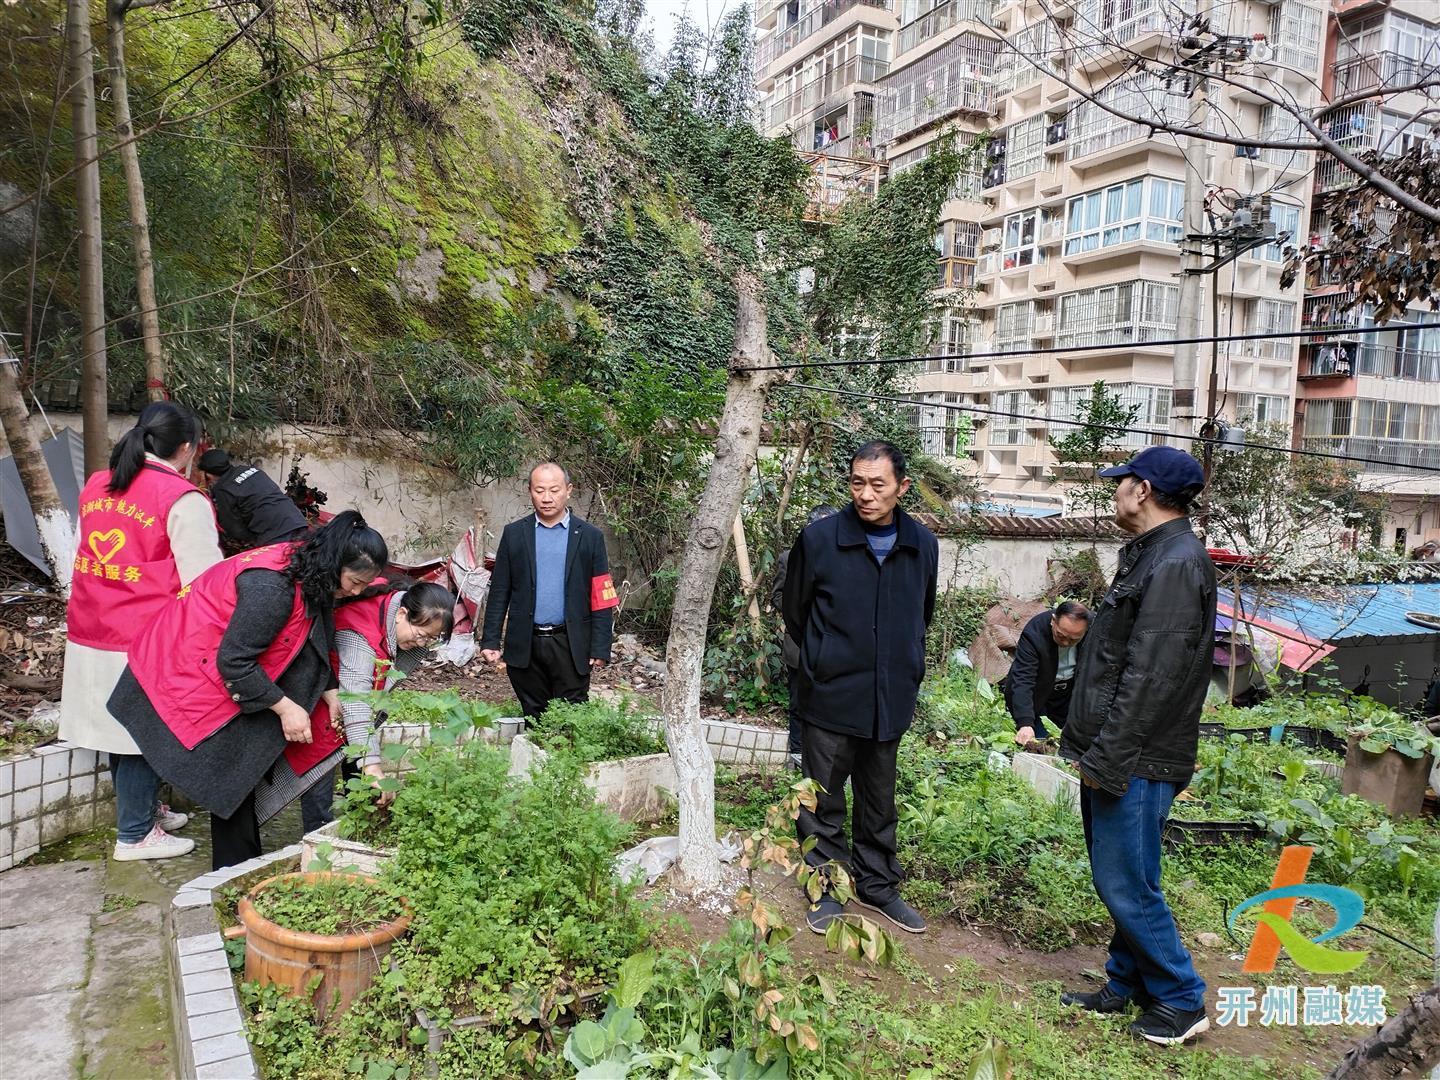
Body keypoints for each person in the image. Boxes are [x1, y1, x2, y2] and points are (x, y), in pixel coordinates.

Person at [109, 511, 388, 870]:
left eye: (365, 586)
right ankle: (233, 873)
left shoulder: (310, 569)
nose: (355, 592)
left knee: (239, 771)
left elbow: (319, 627)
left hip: (210, 667)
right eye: (354, 582)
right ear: (335, 562)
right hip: (178, 670)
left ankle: (239, 867)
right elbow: (236, 664)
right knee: (228, 772)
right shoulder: (271, 588)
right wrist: (285, 706)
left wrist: (329, 690)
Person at [1058, 445, 1215, 1047]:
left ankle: (1179, 998)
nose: (1115, 491)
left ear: (1143, 490)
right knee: (1126, 874)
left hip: (1137, 756)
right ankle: (1126, 983)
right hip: (1126, 750)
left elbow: (1150, 676)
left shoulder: (1174, 563)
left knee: (1127, 882)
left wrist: (1108, 758)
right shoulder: (1154, 555)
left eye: (1120, 482)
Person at [784, 441, 938, 936]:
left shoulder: (921, 544)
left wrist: (905, 663)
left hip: (890, 695)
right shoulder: (821, 540)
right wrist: (825, 660)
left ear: (902, 487)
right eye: (857, 483)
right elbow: (796, 612)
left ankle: (877, 884)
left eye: (878, 485)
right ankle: (825, 885)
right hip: (831, 693)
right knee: (823, 796)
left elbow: (922, 614)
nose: (866, 494)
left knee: (880, 796)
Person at [58, 402, 224, 861]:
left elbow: (82, 551)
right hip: (146, 639)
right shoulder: (182, 499)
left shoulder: (98, 483)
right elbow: (205, 585)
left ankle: (148, 810)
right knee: (141, 732)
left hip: (93, 624)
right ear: (187, 448)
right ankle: (134, 835)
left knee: (120, 727)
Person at [296, 581, 456, 833]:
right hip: (322, 710)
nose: (423, 644)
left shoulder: (396, 619)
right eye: (422, 635)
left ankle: (355, 831)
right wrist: (372, 765)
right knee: (319, 789)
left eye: (431, 640)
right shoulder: (359, 631)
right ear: (402, 614)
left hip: (350, 716)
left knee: (357, 775)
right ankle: (321, 852)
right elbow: (357, 699)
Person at [480, 463, 618, 719]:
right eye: (539, 490)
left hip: (570, 640)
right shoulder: (514, 534)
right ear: (529, 491)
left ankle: (565, 759)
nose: (546, 498)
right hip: (526, 640)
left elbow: (602, 594)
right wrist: (490, 639)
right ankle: (534, 757)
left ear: (568, 490)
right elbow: (500, 590)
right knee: (533, 712)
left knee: (572, 714)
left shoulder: (590, 536)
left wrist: (600, 646)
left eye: (554, 490)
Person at [770, 505, 841, 769]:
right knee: (799, 700)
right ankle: (798, 753)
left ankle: (828, 758)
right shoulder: (790, 558)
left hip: (835, 646)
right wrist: (802, 612)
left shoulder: (845, 559)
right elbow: (777, 595)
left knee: (831, 704)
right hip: (800, 644)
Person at [1003, 601, 1090, 746]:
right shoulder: (1034, 632)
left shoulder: (1097, 628)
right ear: (1053, 621)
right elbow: (1023, 679)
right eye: (1061, 636)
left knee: (1068, 744)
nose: (1066, 643)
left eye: (1074, 639)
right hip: (1038, 694)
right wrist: (1025, 722)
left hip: (1068, 695)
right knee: (1041, 742)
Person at [198, 448, 309, 552]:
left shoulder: (223, 489)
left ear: (207, 474)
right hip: (297, 522)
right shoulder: (251, 470)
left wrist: (253, 542)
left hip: (275, 536)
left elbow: (234, 529)